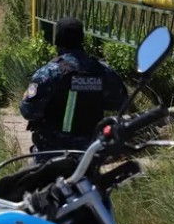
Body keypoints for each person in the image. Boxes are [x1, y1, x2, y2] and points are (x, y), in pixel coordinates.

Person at [20, 17, 128, 162]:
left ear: (57, 40)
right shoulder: (102, 71)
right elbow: (120, 103)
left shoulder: (49, 72)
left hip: (52, 153)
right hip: (89, 153)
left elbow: (29, 112)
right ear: (81, 39)